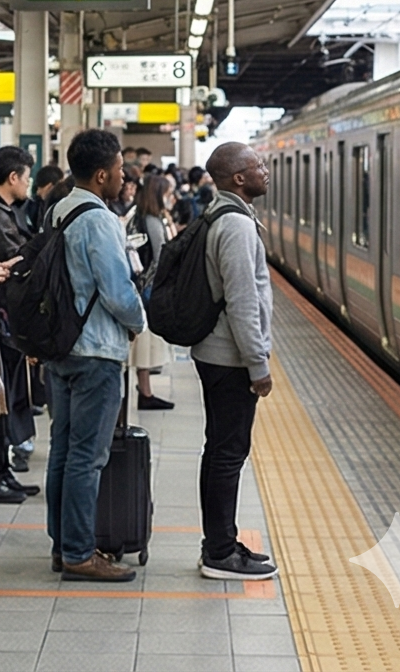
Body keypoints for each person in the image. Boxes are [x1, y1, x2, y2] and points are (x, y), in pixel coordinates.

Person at [42, 129, 148, 583]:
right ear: (101, 173)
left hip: (60, 347)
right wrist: (139, 322)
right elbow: (117, 290)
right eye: (120, 170)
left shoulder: (56, 211)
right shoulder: (100, 219)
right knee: (88, 456)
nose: (123, 178)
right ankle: (81, 553)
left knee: (62, 452)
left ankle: (62, 545)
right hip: (96, 351)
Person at [192, 145, 280, 580]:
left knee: (220, 452)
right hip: (230, 359)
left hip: (218, 354)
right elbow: (244, 302)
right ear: (239, 178)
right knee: (228, 454)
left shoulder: (220, 215)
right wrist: (258, 365)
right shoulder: (237, 226)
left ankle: (220, 541)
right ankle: (220, 553)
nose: (266, 171)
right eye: (258, 166)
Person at [0, 146, 40, 494]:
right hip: (1, 320)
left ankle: (2, 472)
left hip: (7, 320)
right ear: (13, 177)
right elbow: (16, 265)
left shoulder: (6, 213)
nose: (28, 184)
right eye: (26, 177)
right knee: (1, 399)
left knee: (12, 399)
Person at [127, 171, 177, 410]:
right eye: (168, 193)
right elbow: (160, 259)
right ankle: (145, 393)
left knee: (142, 347)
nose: (171, 198)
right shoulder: (154, 222)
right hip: (147, 293)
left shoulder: (137, 216)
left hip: (138, 290)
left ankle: (145, 391)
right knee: (144, 346)